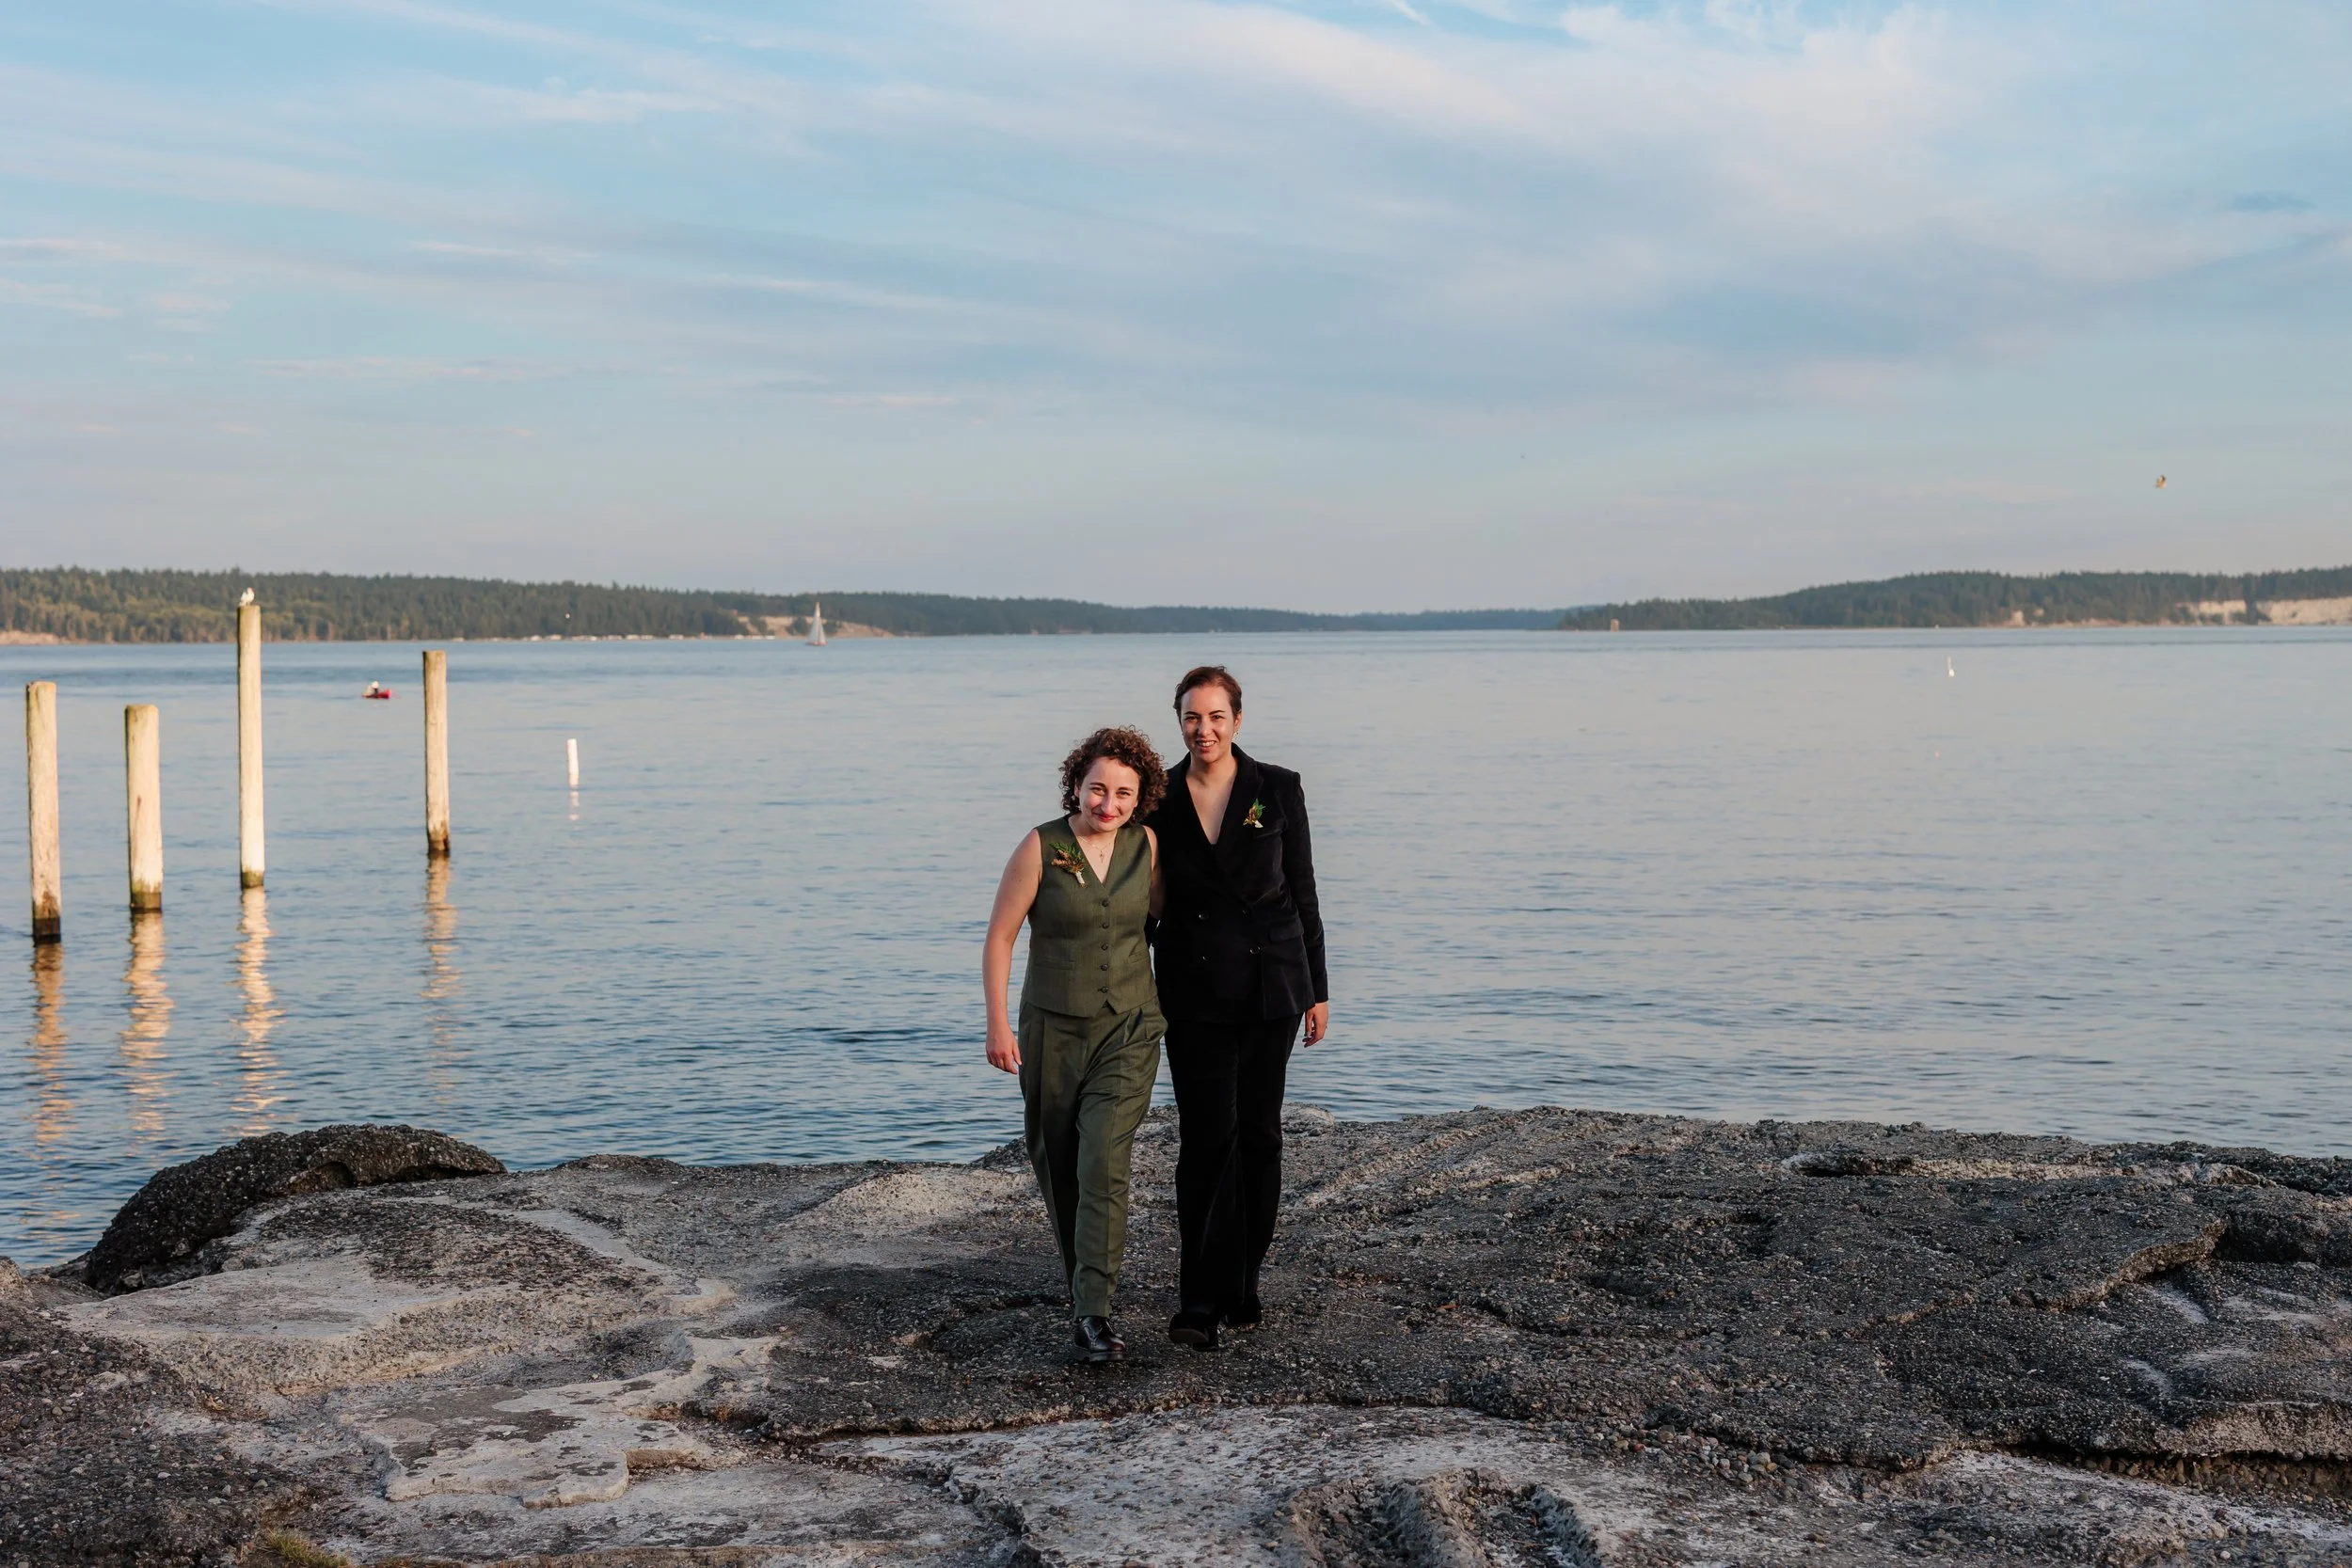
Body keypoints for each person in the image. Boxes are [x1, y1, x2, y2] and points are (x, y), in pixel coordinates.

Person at [1144, 666, 1328, 1351]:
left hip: (1273, 986)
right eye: (1193, 717)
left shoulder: (1278, 787)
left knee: (1260, 1136)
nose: (1205, 728)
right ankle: (1197, 1300)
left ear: (1238, 720)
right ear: (1180, 721)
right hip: (1192, 993)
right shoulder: (1157, 796)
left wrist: (1318, 988)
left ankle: (1244, 1281)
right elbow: (1143, 895)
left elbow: (1304, 891)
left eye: (1217, 716)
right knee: (1204, 1142)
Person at [981, 726, 1168, 1363]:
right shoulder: (1040, 846)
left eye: (1122, 792)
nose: (1108, 803)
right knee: (1058, 1164)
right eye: (1098, 789)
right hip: (1051, 1030)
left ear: (1140, 798)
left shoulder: (1147, 845)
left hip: (1131, 1026)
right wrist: (998, 1025)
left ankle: (1094, 1312)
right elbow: (1001, 937)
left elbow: (1173, 919)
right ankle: (1081, 1285)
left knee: (1103, 1164)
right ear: (1077, 785)